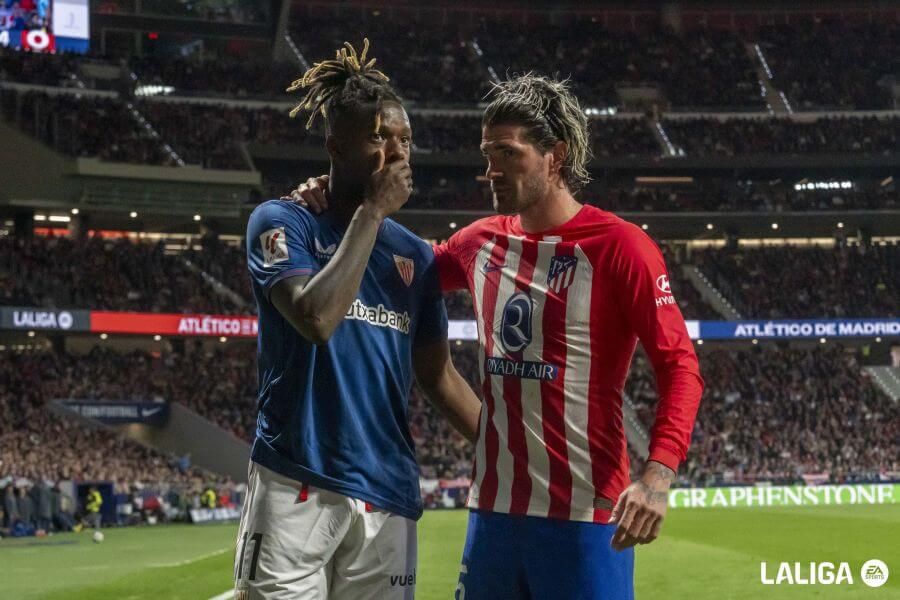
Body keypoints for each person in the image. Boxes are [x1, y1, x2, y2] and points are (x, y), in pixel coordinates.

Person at [288, 74, 704, 599]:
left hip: (583, 515)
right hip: (493, 516)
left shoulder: (620, 247)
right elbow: (390, 276)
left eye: (508, 153)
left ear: (557, 154)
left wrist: (657, 478)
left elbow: (681, 368)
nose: (491, 170)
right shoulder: (479, 242)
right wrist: (334, 198)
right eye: (488, 154)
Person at [235, 39, 481, 600]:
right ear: (333, 146)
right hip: (296, 477)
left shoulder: (414, 256)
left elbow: (439, 377)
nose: (396, 154)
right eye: (377, 137)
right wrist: (371, 212)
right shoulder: (281, 222)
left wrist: (509, 449)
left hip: (387, 491)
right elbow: (316, 318)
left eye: (405, 141)